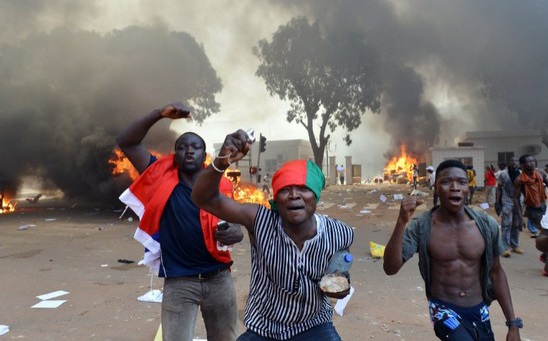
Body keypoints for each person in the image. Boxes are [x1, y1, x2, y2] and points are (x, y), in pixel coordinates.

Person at [192, 129, 354, 340]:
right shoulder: (259, 220)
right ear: (276, 199)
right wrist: (221, 161)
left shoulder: (339, 233)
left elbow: (341, 273)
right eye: (286, 190)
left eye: (303, 188)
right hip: (263, 328)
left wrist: (340, 286)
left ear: (316, 196)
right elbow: (203, 198)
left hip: (314, 325)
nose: (294, 195)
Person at [116, 103, 243, 341]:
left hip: (219, 279)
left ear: (204, 156)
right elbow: (127, 141)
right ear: (176, 155)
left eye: (195, 147)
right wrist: (159, 114)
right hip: (179, 282)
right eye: (182, 147)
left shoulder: (220, 185)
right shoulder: (159, 175)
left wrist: (237, 232)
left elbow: (235, 224)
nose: (188, 151)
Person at [383, 159, 521, 341]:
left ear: (468, 188)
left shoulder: (486, 225)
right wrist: (401, 222)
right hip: (443, 309)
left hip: (479, 309)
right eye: (446, 182)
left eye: (462, 182)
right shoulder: (422, 226)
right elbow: (390, 268)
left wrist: (513, 324)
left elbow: (496, 273)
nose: (455, 187)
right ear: (436, 188)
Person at [514, 154, 548, 276]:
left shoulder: (541, 173)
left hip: (544, 207)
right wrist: (519, 218)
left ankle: (545, 255)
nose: (532, 163)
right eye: (529, 162)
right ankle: (546, 268)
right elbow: (516, 199)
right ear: (522, 165)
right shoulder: (519, 180)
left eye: (533, 161)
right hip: (533, 211)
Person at [495, 156, 524, 257]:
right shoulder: (503, 174)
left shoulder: (521, 174)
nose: (515, 162)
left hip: (519, 201)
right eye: (513, 161)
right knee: (506, 224)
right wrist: (497, 202)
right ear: (509, 162)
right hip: (506, 201)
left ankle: (514, 245)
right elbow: (498, 188)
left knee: (516, 224)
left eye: (517, 161)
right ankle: (505, 247)